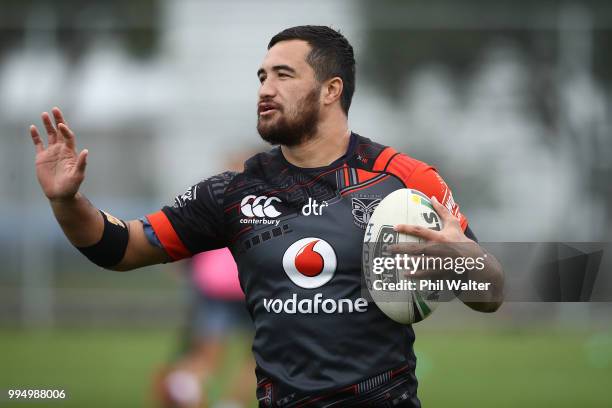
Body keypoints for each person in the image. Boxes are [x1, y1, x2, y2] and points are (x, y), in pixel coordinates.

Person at [29, 25, 503, 407]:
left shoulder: (404, 178)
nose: (265, 89)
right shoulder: (233, 190)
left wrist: (466, 260)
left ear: (330, 90)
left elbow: (490, 294)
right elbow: (120, 248)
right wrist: (68, 203)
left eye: (283, 75)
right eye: (261, 77)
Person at [153, 248, 255, 408]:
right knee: (258, 357)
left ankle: (179, 387)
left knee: (207, 356)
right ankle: (230, 403)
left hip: (213, 280)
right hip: (252, 282)